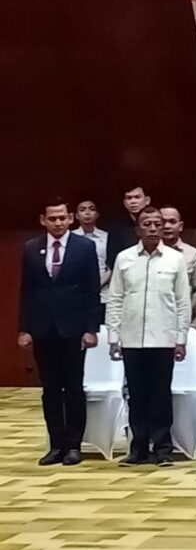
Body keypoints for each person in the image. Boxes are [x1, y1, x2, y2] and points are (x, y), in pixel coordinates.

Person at [18, 199, 101, 466]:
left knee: (74, 388)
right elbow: (27, 291)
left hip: (73, 329)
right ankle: (56, 445)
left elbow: (92, 291)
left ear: (70, 219)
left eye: (62, 218)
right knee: (50, 389)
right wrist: (24, 328)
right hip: (43, 328)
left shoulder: (84, 247)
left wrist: (91, 329)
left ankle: (74, 445)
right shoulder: (31, 248)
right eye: (52, 218)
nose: (58, 223)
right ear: (43, 220)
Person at [106, 206, 190, 467]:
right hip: (131, 338)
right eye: (147, 224)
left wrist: (181, 339)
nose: (153, 229)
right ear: (137, 229)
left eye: (157, 224)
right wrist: (113, 336)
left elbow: (183, 302)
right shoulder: (124, 258)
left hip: (164, 338)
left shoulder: (175, 259)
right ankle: (139, 448)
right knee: (136, 394)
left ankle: (163, 449)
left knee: (161, 395)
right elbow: (115, 298)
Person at [160, 205, 196, 333]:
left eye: (172, 222)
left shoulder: (194, 255)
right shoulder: (146, 254)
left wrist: (183, 314)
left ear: (180, 226)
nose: (167, 226)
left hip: (186, 322)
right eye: (162, 222)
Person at [72, 199, 110, 313]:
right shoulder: (70, 237)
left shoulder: (107, 237)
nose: (87, 213)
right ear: (76, 216)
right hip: (77, 290)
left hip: (103, 291)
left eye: (91, 209)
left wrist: (97, 285)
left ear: (97, 214)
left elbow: (111, 265)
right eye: (82, 210)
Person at [106, 184, 152, 269]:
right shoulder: (117, 228)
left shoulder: (156, 224)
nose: (133, 201)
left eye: (137, 197)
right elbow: (112, 259)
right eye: (129, 198)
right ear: (124, 203)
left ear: (147, 200)